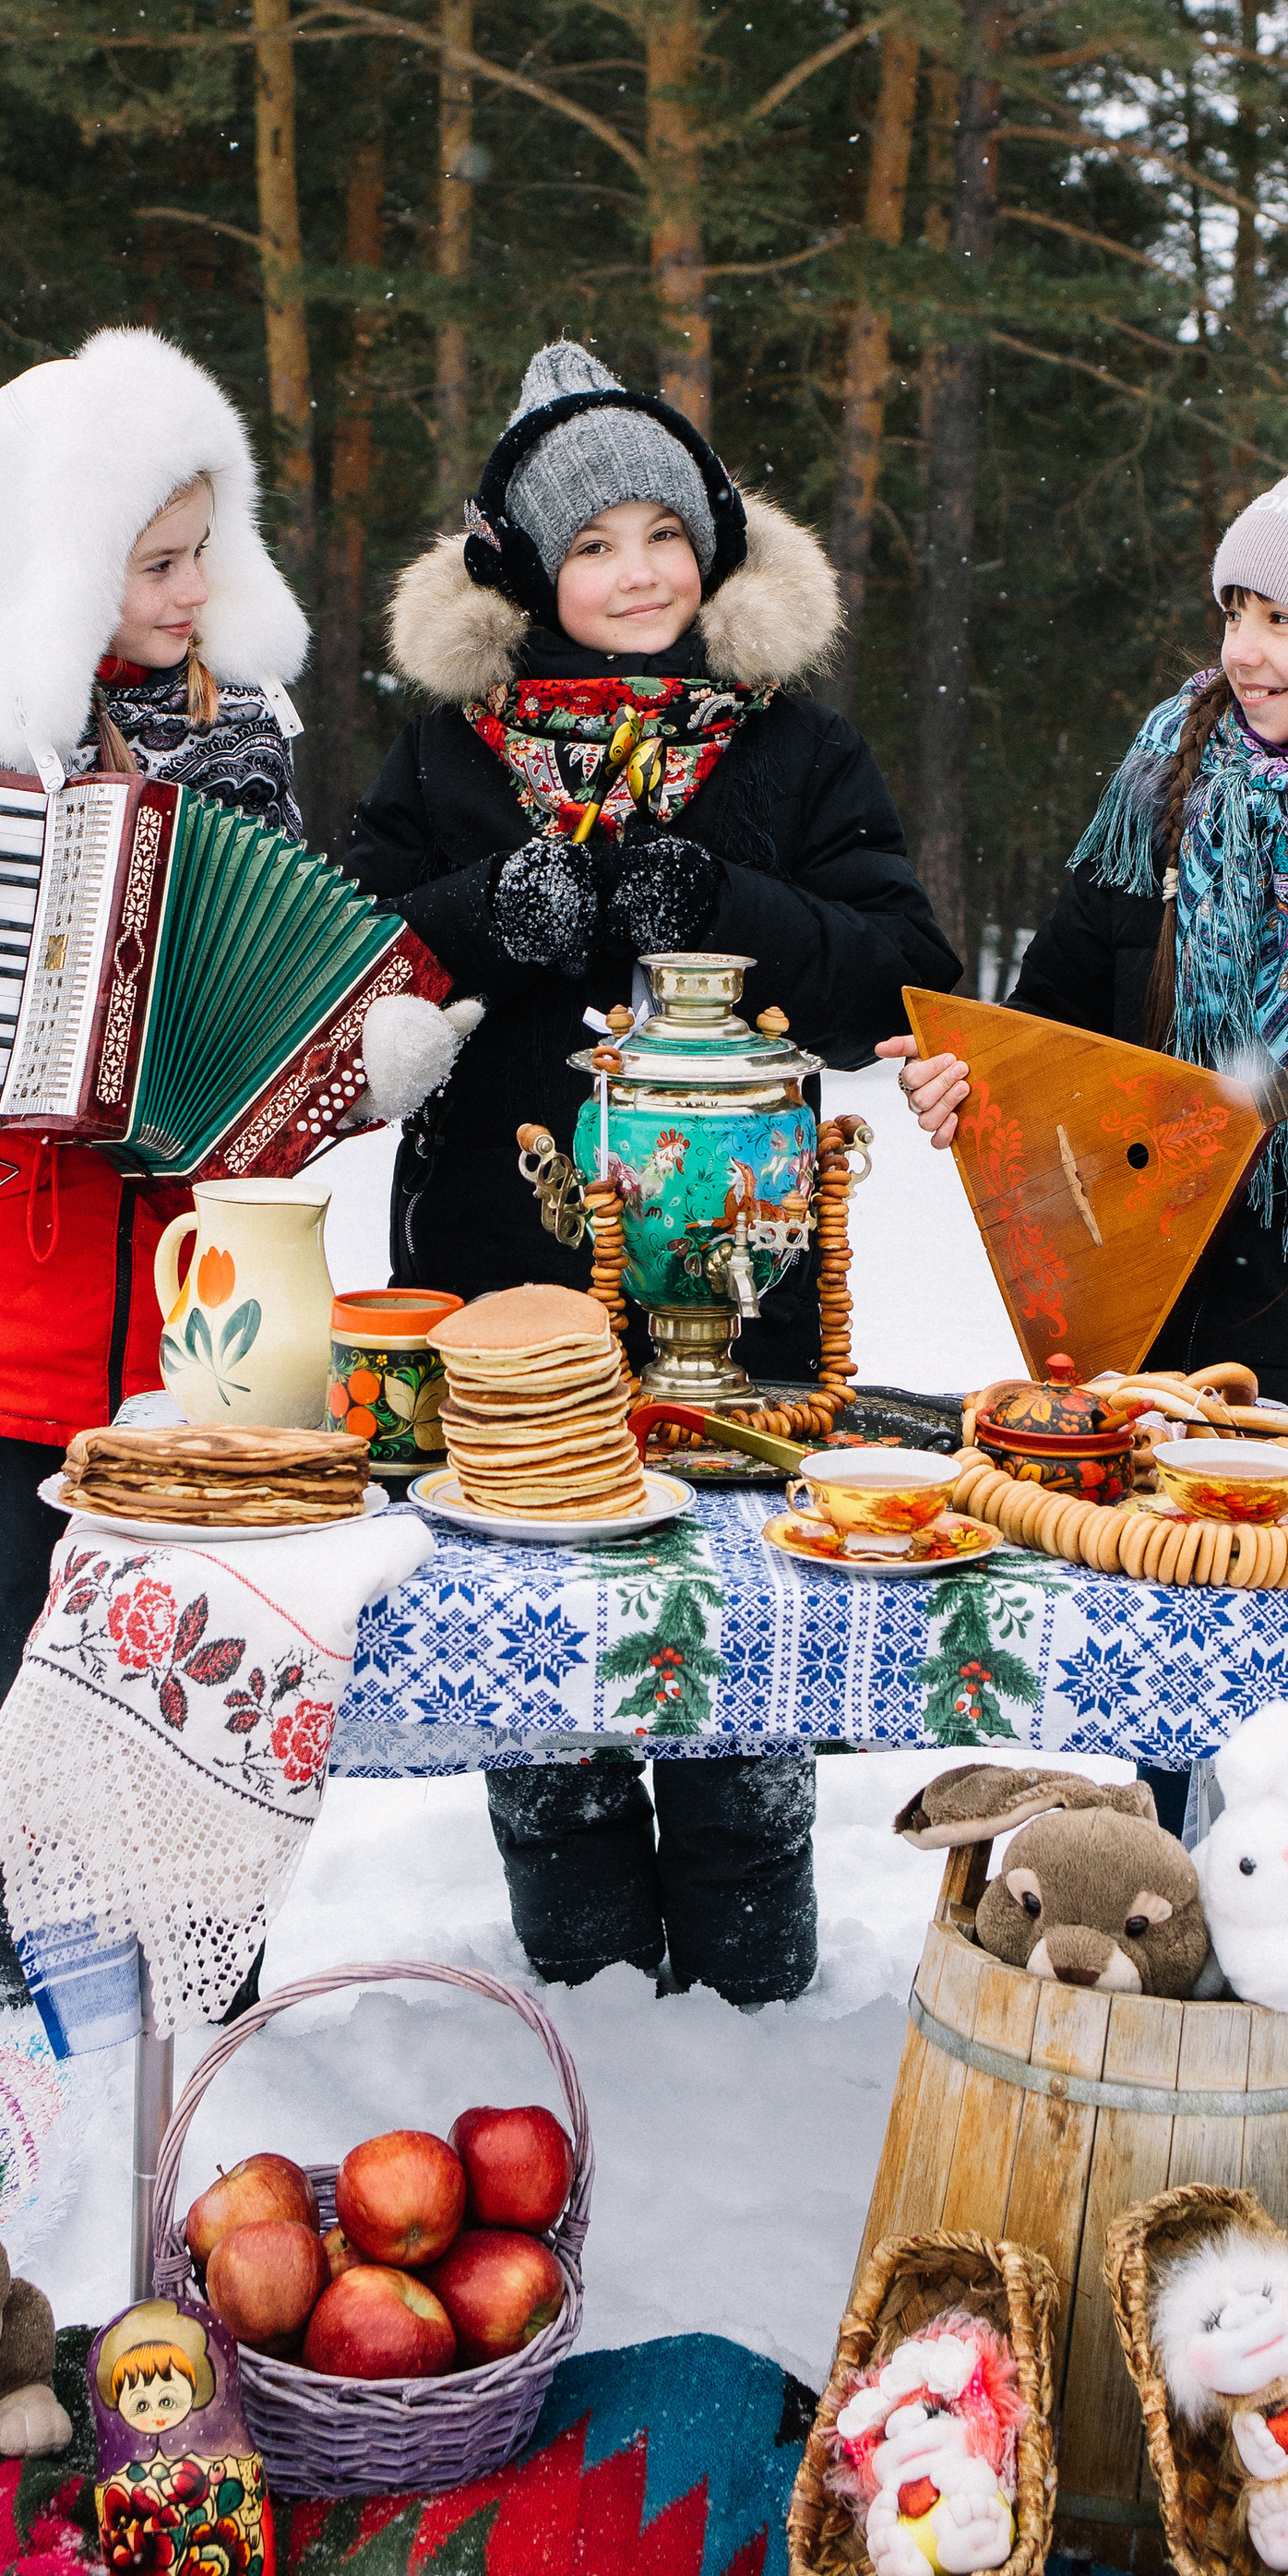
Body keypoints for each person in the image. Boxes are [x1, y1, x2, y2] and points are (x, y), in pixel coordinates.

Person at [0, 328, 474, 2032]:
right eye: (154, 559)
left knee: (211, 1692)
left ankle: (212, 2030)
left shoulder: (244, 740)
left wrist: (368, 1073)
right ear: (66, 567)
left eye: (209, 547)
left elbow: (264, 1062)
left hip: (200, 1331)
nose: (192, 586)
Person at [348, 338, 960, 2007]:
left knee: (735, 1646)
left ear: (714, 546)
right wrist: (482, 918)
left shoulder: (792, 751)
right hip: (501, 1265)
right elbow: (335, 971)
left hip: (740, 1276)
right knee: (543, 1670)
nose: (638, 573)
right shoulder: (452, 758)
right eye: (596, 544)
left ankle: (755, 2004)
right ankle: (593, 2008)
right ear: (536, 571)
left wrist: (732, 908)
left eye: (665, 535)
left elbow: (901, 975)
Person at [881, 430, 1288, 1839]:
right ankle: (1175, 1993)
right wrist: (973, 1087)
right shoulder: (1168, 785)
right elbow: (1058, 1019)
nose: (1247, 648)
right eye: (1236, 609)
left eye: (1286, 617)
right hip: (1166, 1330)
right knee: (1176, 1722)